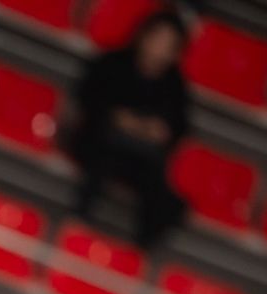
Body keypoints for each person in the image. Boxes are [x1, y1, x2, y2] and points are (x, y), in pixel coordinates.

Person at [70, 11, 192, 250]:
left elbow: (178, 129)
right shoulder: (112, 63)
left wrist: (156, 132)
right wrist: (117, 118)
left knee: (166, 199)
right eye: (157, 39)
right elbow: (88, 98)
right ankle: (78, 225)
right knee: (100, 158)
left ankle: (139, 252)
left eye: (168, 44)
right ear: (143, 35)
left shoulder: (175, 84)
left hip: (140, 158)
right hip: (98, 143)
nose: (159, 49)